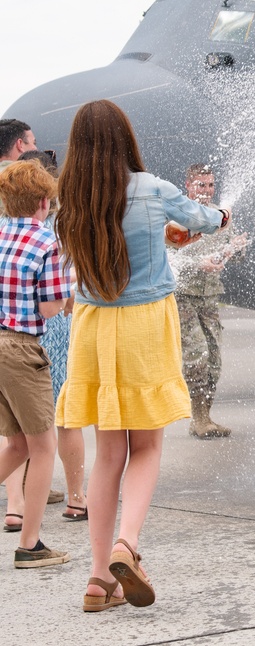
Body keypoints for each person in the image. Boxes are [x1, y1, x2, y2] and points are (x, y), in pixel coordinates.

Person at [55, 99, 230, 611]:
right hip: (144, 324)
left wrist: (163, 234)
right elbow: (207, 219)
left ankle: (97, 580)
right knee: (147, 448)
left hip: (92, 327)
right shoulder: (153, 187)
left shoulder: (70, 196)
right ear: (124, 138)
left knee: (108, 454)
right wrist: (219, 215)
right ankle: (126, 545)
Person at [0, 158, 72, 568]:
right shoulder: (46, 242)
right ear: (43, 202)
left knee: (17, 445)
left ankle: (29, 539)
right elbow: (48, 309)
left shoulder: (0, 233)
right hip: (22, 348)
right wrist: (67, 297)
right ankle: (30, 544)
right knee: (43, 447)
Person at [18, 150, 89, 522]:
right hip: (54, 325)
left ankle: (18, 505)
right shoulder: (60, 226)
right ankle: (77, 496)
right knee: (65, 416)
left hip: (14, 331)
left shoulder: (9, 225)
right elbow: (60, 295)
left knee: (20, 424)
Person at [169, 163, 247, 439]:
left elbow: (232, 257)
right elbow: (169, 258)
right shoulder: (176, 215)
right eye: (201, 185)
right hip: (183, 296)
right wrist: (198, 264)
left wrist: (235, 249)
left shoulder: (219, 216)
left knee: (214, 358)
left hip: (210, 297)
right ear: (188, 185)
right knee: (196, 354)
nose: (206, 190)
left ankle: (206, 416)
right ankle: (198, 418)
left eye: (211, 185)